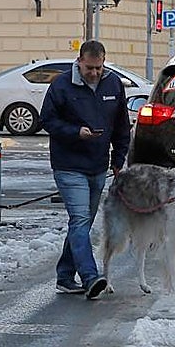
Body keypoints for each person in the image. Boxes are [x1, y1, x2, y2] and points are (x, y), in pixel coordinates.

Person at [39, 39, 131, 299]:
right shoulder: (61, 85)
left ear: (104, 62)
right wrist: (74, 132)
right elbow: (47, 119)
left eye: (98, 68)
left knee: (82, 224)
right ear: (79, 62)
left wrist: (118, 160)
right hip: (68, 165)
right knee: (80, 220)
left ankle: (65, 276)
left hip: (99, 165)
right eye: (89, 68)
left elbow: (122, 126)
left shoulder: (113, 84)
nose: (94, 73)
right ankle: (91, 278)